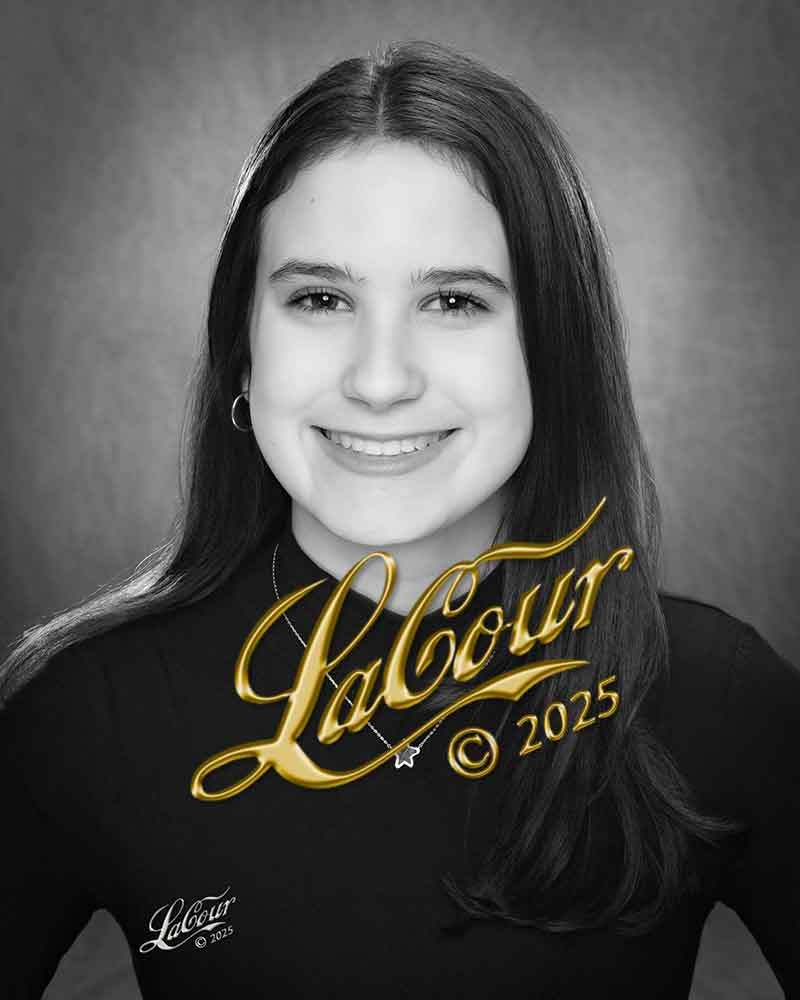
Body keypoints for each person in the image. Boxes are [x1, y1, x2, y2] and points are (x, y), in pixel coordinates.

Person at [1, 39, 798, 1000]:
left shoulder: (717, 697)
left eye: (454, 300)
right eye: (320, 298)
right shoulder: (84, 711)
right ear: (243, 349)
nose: (380, 381)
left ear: (555, 351)